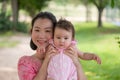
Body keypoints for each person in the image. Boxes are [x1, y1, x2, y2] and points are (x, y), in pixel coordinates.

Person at [17, 11, 87, 80]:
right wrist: (46, 60)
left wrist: (77, 63)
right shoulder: (25, 62)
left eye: (47, 31)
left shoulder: (67, 57)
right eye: (37, 30)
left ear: (56, 33)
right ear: (31, 32)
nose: (41, 36)